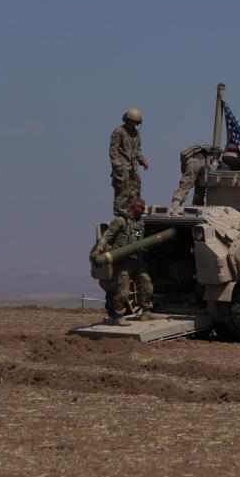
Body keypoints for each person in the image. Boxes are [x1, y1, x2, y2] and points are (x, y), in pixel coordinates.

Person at [90, 198, 164, 326]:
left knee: (146, 284)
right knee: (123, 291)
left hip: (136, 260)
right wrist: (98, 250)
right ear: (134, 207)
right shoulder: (120, 221)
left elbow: (139, 239)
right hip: (122, 261)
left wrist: (142, 248)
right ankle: (118, 315)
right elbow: (107, 236)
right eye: (142, 207)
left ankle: (146, 312)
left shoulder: (140, 223)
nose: (144, 209)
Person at [110, 108, 149, 215]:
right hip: (121, 168)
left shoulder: (136, 133)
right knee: (122, 192)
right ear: (127, 120)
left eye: (136, 122)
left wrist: (143, 161)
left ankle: (133, 214)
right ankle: (120, 215)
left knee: (136, 191)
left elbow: (138, 150)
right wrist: (118, 167)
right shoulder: (119, 132)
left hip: (133, 168)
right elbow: (113, 151)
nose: (134, 123)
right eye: (132, 121)